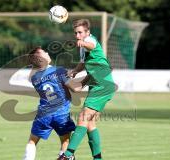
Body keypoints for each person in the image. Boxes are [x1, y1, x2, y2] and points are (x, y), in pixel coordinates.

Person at [59, 19, 116, 160]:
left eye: (80, 32)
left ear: (87, 32)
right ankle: (97, 158)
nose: (77, 35)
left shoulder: (90, 40)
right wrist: (73, 73)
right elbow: (83, 64)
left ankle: (67, 155)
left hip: (102, 84)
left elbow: (90, 45)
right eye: (76, 33)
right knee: (90, 123)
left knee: (83, 117)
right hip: (96, 83)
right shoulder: (83, 50)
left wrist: (83, 42)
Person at [22, 46, 87, 160]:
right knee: (65, 141)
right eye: (44, 53)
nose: (47, 53)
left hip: (43, 115)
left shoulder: (34, 78)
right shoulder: (59, 71)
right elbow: (75, 88)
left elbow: (47, 76)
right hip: (61, 114)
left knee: (32, 141)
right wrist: (90, 76)